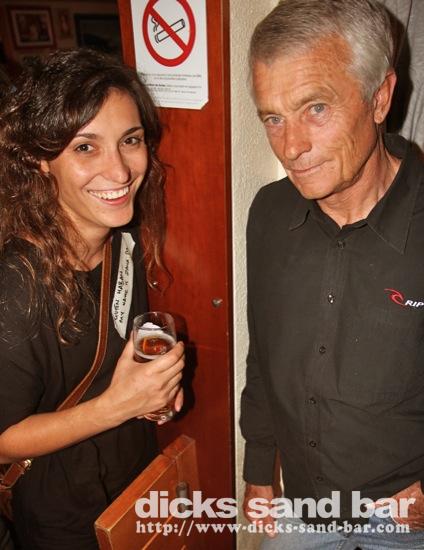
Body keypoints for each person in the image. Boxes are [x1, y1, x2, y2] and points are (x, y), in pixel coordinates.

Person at [240, 0, 424, 548]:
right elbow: (263, 352)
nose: (291, 147)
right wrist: (258, 468)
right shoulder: (269, 212)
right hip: (302, 503)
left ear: (380, 98)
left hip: (405, 517)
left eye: (315, 108)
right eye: (273, 118)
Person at [0, 49, 184, 550]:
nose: (119, 171)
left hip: (132, 478)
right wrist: (118, 405)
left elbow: (120, 341)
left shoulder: (123, 239)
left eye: (131, 140)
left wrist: (154, 390)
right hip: (64, 515)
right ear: (40, 160)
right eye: (86, 147)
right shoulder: (16, 287)